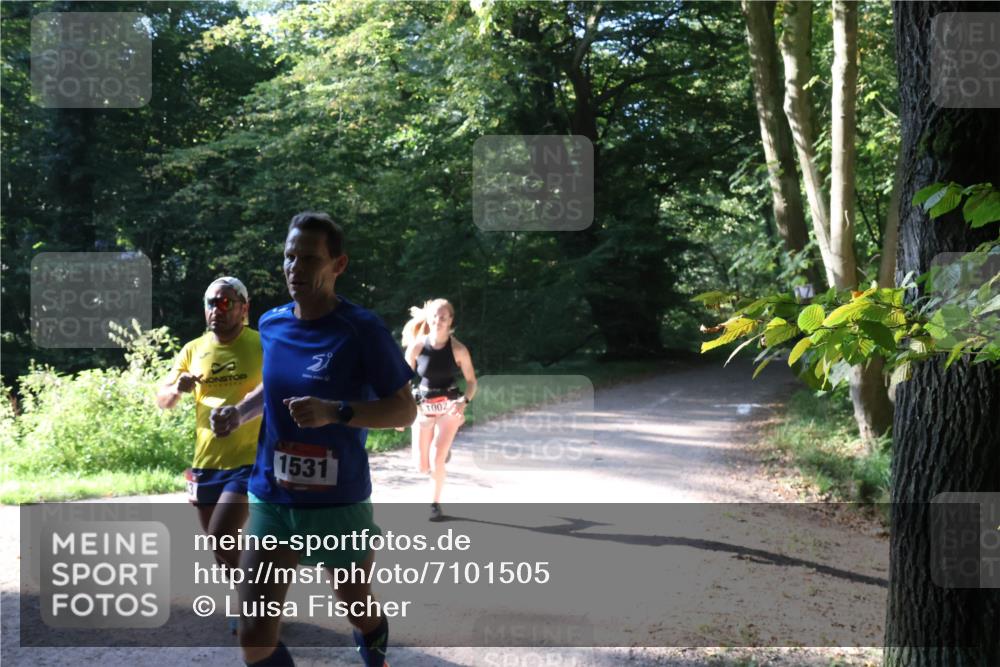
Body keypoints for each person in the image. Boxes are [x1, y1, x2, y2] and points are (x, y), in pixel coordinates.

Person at [209, 212, 416, 667]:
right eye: (289, 257)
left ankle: (375, 636)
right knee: (253, 633)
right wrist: (238, 413)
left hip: (337, 501)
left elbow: (404, 409)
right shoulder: (271, 323)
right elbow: (272, 386)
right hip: (272, 496)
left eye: (309, 259)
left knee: (356, 605)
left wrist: (336, 412)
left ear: (337, 265)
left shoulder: (362, 329)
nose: (294, 269)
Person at [156, 277, 262, 574]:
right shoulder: (193, 349)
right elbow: (162, 399)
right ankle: (253, 605)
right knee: (221, 551)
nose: (218, 308)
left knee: (221, 535)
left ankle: (263, 606)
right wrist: (177, 387)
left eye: (226, 302)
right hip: (206, 462)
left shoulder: (261, 342)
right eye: (211, 303)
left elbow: (276, 388)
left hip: (248, 459)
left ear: (244, 308)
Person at [402, 299, 477, 521]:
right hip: (424, 407)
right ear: (429, 318)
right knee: (422, 465)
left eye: (443, 317)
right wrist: (402, 410)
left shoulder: (458, 349)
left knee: (437, 457)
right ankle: (439, 455)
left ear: (451, 320)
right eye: (435, 316)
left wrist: (463, 401)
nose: (438, 320)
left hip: (449, 407)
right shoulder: (417, 347)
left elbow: (472, 381)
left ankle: (434, 504)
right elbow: (403, 382)